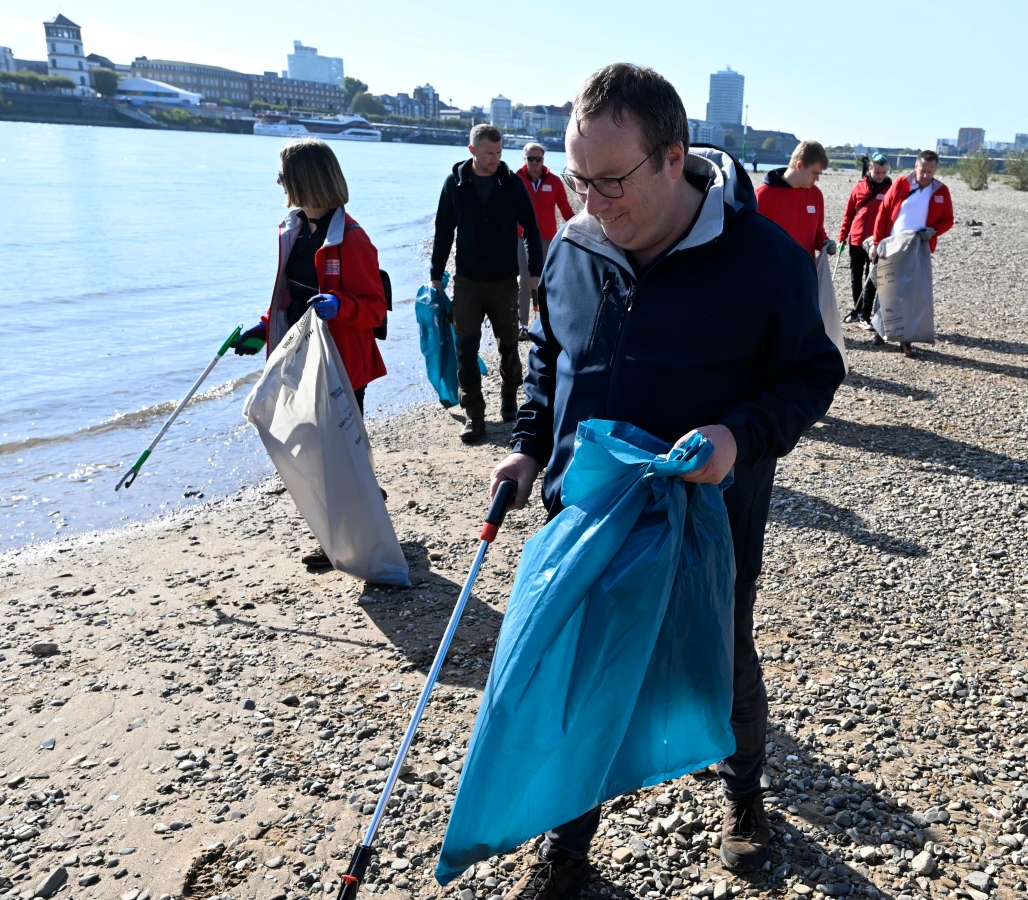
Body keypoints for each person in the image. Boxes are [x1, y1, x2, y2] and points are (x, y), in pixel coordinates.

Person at [490, 63, 845, 900]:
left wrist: (738, 435)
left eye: (611, 181)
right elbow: (552, 355)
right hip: (587, 515)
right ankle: (568, 848)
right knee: (583, 681)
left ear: (672, 157)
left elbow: (811, 375)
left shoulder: (764, 262)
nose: (592, 202)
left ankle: (746, 800)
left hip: (709, 522)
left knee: (721, 663)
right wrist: (529, 443)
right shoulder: (575, 244)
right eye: (580, 179)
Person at [234, 138, 386, 564]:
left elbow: (374, 309)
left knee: (336, 455)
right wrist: (265, 330)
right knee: (315, 449)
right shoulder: (294, 230)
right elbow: (288, 294)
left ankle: (347, 541)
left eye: (283, 175)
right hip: (302, 359)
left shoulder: (353, 239)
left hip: (340, 365)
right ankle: (353, 514)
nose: (279, 182)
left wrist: (342, 307)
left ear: (305, 179)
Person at [431, 124, 544, 444]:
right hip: (466, 282)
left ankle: (510, 400)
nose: (495, 159)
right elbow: (443, 231)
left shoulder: (511, 184)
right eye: (488, 153)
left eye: (498, 152)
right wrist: (435, 275)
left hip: (505, 282)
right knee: (465, 350)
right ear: (472, 151)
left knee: (509, 347)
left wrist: (533, 272)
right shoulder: (454, 184)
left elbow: (532, 230)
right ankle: (474, 416)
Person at [867, 149, 953, 357]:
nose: (925, 176)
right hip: (893, 244)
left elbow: (948, 220)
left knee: (911, 294)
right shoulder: (900, 184)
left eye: (930, 173)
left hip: (918, 248)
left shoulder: (941, 191)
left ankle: (906, 340)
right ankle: (880, 331)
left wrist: (933, 231)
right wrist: (876, 243)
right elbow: (883, 212)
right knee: (886, 288)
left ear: (935, 171)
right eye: (922, 170)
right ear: (916, 166)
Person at [516, 142, 574, 338]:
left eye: (538, 159)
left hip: (548, 238)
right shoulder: (515, 180)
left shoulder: (555, 182)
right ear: (524, 159)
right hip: (521, 238)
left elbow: (565, 210)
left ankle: (547, 324)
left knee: (547, 281)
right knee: (525, 281)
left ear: (543, 160)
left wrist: (581, 229)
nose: (534, 162)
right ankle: (523, 325)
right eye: (530, 159)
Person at [838, 152, 892, 324]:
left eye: (884, 173)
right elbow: (848, 214)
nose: (880, 176)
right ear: (870, 170)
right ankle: (857, 308)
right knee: (856, 277)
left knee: (871, 278)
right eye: (877, 173)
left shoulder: (890, 190)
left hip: (876, 242)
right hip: (856, 239)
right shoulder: (859, 187)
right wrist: (842, 237)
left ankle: (865, 315)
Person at [754, 140, 831, 256]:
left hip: (805, 270)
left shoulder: (816, 195)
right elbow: (749, 237)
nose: (817, 178)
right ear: (799, 165)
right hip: (771, 270)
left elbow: (818, 231)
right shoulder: (762, 195)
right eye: (814, 173)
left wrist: (825, 243)